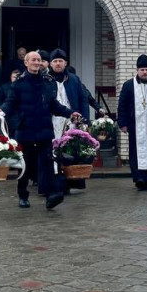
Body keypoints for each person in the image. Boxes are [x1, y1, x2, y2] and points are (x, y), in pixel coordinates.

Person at [0, 50, 80, 209]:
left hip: (44, 130)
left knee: (47, 163)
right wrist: (2, 112)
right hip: (25, 130)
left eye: (39, 60)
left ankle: (51, 196)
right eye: (33, 60)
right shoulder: (19, 84)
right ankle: (23, 195)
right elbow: (10, 102)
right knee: (24, 166)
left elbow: (54, 106)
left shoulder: (47, 82)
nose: (36, 62)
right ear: (26, 63)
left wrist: (70, 113)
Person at [117, 54, 147, 190]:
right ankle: (139, 178)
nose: (145, 72)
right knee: (136, 151)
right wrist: (122, 123)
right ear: (137, 70)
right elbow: (122, 105)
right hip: (134, 124)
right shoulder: (128, 85)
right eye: (142, 69)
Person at [48, 49, 90, 190]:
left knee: (71, 149)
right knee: (53, 150)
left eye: (60, 61)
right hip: (52, 120)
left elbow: (83, 99)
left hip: (72, 119)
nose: (58, 64)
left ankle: (71, 181)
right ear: (50, 64)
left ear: (65, 63)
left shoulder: (74, 79)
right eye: (55, 61)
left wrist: (85, 120)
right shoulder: (45, 79)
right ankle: (54, 182)